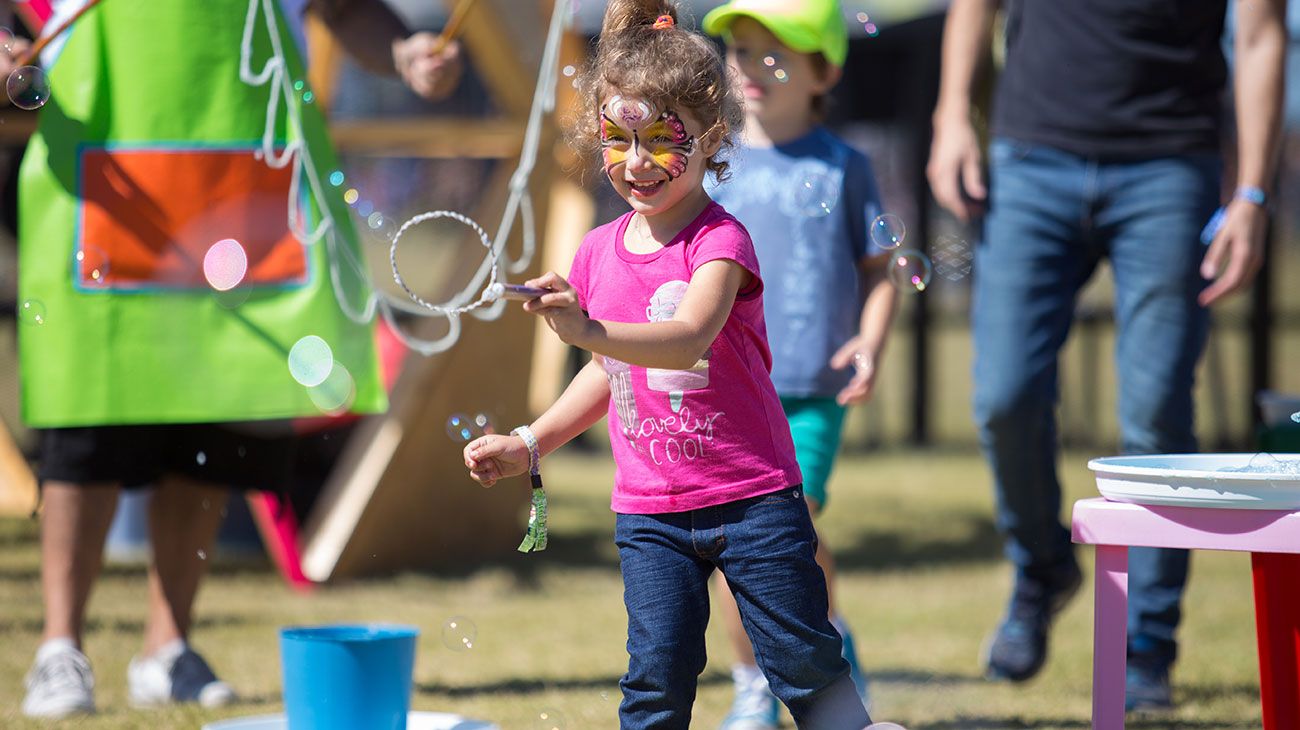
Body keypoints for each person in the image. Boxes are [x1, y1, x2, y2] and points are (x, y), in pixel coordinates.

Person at [17, 0, 462, 718]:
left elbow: (344, 8)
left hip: (244, 184)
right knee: (85, 426)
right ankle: (58, 649)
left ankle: (169, 648)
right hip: (107, 182)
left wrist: (407, 53)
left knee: (216, 423)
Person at [462, 1, 873, 727]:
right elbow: (610, 372)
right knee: (655, 678)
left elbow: (686, 338)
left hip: (753, 500)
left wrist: (587, 327)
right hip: (651, 512)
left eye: (660, 138)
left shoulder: (722, 242)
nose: (638, 161)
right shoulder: (596, 251)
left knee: (803, 666)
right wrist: (530, 442)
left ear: (710, 137)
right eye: (619, 140)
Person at [927, 0, 1285, 711]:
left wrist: (1251, 194)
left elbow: (1262, 33)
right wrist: (951, 115)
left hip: (1169, 164)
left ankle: (1147, 645)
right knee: (1004, 395)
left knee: (1156, 414)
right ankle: (1042, 568)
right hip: (1030, 156)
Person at [700, 1, 897, 727]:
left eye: (774, 53)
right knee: (735, 546)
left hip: (809, 392)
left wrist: (870, 341)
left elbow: (881, 271)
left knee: (792, 531)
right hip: (724, 395)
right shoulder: (708, 164)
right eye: (742, 51)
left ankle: (826, 646)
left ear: (825, 71)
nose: (750, 67)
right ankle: (755, 679)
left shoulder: (846, 168)